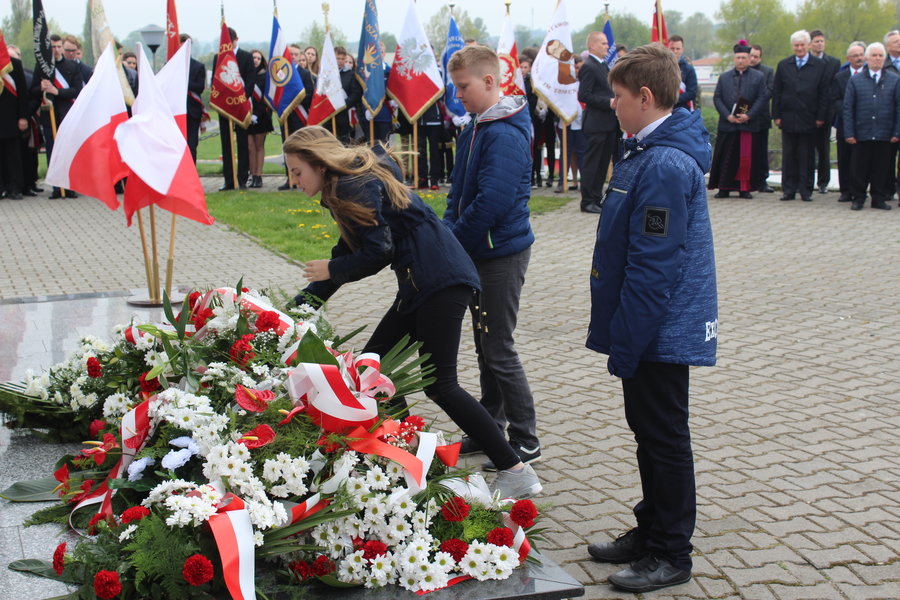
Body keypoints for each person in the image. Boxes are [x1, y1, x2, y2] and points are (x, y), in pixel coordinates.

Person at [285, 126, 542, 500]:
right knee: (374, 371)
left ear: (320, 164)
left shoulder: (352, 185)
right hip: (423, 282)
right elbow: (350, 251)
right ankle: (411, 456)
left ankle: (515, 470)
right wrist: (293, 313)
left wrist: (331, 270)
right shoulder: (348, 185)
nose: (294, 181)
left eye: (297, 171)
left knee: (440, 384)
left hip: (439, 281)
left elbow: (378, 251)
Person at [585, 43, 716, 594]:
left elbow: (653, 265)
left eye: (616, 96)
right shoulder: (646, 150)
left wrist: (628, 340)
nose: (610, 104)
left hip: (659, 327)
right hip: (646, 324)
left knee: (664, 438)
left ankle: (671, 553)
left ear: (644, 96)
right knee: (648, 432)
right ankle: (652, 528)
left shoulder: (663, 163)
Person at [444, 45, 542, 471]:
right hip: (478, 250)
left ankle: (526, 438)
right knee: (485, 345)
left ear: (489, 81)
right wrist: (445, 233)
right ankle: (490, 427)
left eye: (463, 86)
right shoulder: (475, 127)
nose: (457, 95)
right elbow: (458, 193)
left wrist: (452, 243)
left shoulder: (503, 133)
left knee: (498, 346)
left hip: (500, 253)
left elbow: (491, 203)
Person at [772, 30, 830, 202]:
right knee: (789, 155)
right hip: (788, 117)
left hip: (809, 117)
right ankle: (788, 190)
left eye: (802, 45)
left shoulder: (819, 66)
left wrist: (821, 116)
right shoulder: (784, 65)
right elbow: (777, 91)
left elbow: (824, 93)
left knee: (807, 156)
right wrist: (776, 115)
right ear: (792, 46)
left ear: (808, 45)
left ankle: (806, 190)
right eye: (796, 45)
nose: (799, 48)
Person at [842, 42, 900, 211]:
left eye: (880, 55)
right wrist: (849, 132)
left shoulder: (894, 80)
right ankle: (858, 198)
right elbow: (848, 108)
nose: (877, 59)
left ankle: (878, 198)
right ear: (867, 59)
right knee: (859, 167)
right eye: (874, 55)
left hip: (884, 132)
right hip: (862, 132)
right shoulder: (855, 80)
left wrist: (897, 131)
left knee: (881, 168)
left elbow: (898, 107)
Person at [708, 42, 770, 199]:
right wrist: (727, 115)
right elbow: (717, 98)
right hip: (727, 124)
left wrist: (749, 115)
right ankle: (723, 188)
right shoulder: (724, 77)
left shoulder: (758, 77)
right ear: (734, 59)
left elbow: (762, 98)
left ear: (749, 59)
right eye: (738, 58)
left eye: (743, 58)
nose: (741, 61)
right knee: (725, 157)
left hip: (747, 124)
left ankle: (744, 189)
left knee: (745, 158)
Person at [33, 33, 83, 199]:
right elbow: (32, 90)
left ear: (62, 47)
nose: (55, 50)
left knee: (68, 152)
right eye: (52, 47)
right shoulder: (42, 67)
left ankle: (70, 187)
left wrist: (57, 91)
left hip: (68, 115)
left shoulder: (72, 66)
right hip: (49, 116)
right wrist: (41, 87)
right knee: (53, 152)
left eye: (58, 46)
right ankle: (56, 188)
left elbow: (77, 90)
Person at [578, 31, 617, 213]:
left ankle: (596, 197)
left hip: (608, 123)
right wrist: (608, 102)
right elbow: (584, 95)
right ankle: (587, 201)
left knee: (602, 164)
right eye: (603, 43)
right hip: (596, 123)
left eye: (607, 43)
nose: (607, 46)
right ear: (592, 45)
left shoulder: (603, 65)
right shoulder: (589, 66)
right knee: (592, 164)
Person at [216, 27, 255, 191]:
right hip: (225, 106)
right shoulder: (218, 57)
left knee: (242, 143)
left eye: (230, 42)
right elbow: (216, 82)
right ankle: (229, 180)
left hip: (241, 106)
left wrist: (241, 100)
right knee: (226, 143)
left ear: (235, 40)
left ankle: (242, 179)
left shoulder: (246, 57)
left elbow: (251, 81)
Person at [832, 42, 867, 203]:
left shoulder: (869, 74)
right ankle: (845, 190)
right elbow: (835, 100)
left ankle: (860, 190)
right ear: (848, 58)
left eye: (861, 55)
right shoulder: (840, 77)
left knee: (862, 159)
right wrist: (848, 112)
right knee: (845, 158)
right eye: (855, 56)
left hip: (865, 124)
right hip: (845, 123)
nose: (859, 58)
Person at [808, 30, 841, 194]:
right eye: (816, 41)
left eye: (822, 41)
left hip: (826, 112)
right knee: (806, 149)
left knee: (823, 148)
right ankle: (805, 181)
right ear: (810, 44)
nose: (820, 44)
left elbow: (834, 88)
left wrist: (829, 111)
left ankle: (823, 182)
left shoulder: (833, 63)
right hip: (807, 112)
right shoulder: (805, 61)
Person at [0, 47, 28, 200]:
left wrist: (23, 117)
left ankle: (15, 188)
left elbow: (23, 93)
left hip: (11, 117)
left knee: (13, 156)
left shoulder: (14, 65)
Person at [749, 44, 775, 193]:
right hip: (745, 117)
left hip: (761, 117)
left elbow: (768, 92)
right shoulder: (742, 71)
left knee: (761, 151)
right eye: (751, 56)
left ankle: (762, 181)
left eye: (756, 57)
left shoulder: (768, 71)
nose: (753, 59)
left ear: (760, 58)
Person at [247, 50, 273, 188]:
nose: (255, 60)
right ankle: (252, 175)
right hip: (247, 116)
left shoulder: (265, 76)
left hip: (261, 116)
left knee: (258, 146)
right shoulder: (245, 75)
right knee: (249, 148)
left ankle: (259, 175)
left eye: (258, 58)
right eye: (253, 57)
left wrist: (257, 114)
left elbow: (266, 98)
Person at [179, 34, 206, 164]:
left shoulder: (198, 66)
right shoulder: (169, 65)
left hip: (192, 111)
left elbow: (200, 87)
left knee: (191, 145)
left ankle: (191, 172)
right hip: (176, 111)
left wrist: (184, 81)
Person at [332, 46, 363, 144]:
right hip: (329, 116)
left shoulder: (351, 74)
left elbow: (356, 94)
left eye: (343, 59)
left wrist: (342, 105)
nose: (340, 61)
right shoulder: (326, 74)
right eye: (338, 58)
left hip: (344, 115)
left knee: (344, 142)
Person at [885, 30, 900, 201]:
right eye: (896, 41)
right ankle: (887, 189)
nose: (899, 44)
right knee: (887, 157)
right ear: (887, 46)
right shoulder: (882, 64)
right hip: (888, 118)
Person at [668, 35, 697, 112]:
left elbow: (691, 92)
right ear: (668, 48)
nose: (675, 51)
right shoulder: (661, 68)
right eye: (672, 48)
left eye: (678, 49)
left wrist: (672, 100)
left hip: (683, 110)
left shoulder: (689, 69)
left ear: (682, 50)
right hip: (663, 110)